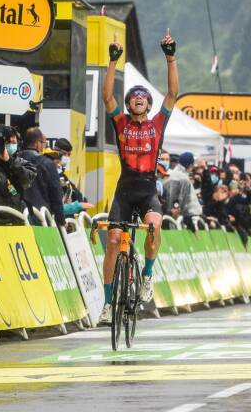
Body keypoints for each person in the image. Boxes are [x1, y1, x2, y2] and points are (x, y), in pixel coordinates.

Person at [99, 28, 178, 324]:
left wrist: (170, 58)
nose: (139, 100)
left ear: (149, 104)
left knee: (153, 230)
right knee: (113, 241)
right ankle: (107, 304)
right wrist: (112, 61)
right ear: (130, 104)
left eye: (144, 98)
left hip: (147, 192)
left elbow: (172, 93)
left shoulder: (158, 124)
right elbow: (107, 95)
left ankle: (146, 275)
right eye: (135, 97)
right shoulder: (121, 123)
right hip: (124, 190)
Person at [18, 127, 66, 226]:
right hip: (41, 218)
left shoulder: (13, 161)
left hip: (18, 217)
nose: (44, 146)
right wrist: (61, 220)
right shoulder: (47, 163)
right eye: (44, 143)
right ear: (37, 143)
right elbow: (56, 193)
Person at [164, 151, 203, 226]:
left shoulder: (173, 175)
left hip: (173, 215)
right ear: (190, 165)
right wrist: (176, 208)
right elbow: (181, 198)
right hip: (184, 218)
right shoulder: (183, 179)